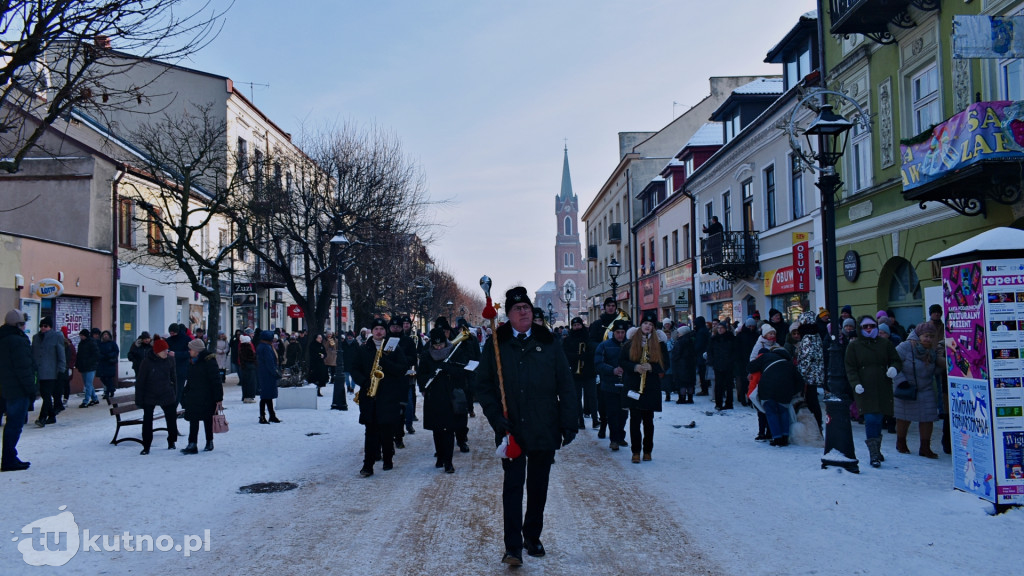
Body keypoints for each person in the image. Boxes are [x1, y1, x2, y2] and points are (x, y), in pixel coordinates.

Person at [474, 287, 577, 566]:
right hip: (511, 428)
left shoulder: (549, 341)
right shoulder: (497, 343)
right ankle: (513, 547)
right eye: (518, 309)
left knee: (538, 485)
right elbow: (483, 385)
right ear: (507, 315)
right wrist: (496, 417)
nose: (524, 312)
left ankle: (532, 536)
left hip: (545, 424)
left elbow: (566, 385)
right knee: (513, 486)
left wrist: (569, 422)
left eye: (527, 308)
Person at [845, 315, 902, 468]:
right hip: (864, 388)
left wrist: (893, 368)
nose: (869, 329)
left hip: (882, 386)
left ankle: (877, 449)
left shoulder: (885, 343)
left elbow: (896, 360)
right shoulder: (854, 346)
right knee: (870, 418)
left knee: (879, 418)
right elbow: (850, 367)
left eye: (871, 326)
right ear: (860, 328)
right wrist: (855, 383)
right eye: (865, 327)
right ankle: (874, 454)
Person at [354, 318, 408, 477]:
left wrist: (386, 363)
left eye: (382, 329)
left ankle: (388, 458)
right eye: (376, 329)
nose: (379, 332)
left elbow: (402, 369)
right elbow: (354, 368)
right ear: (372, 331)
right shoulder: (364, 348)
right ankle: (367, 465)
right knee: (370, 431)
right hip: (369, 395)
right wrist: (364, 382)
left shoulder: (394, 348)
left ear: (386, 331)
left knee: (387, 430)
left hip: (388, 395)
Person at [893, 322, 945, 459]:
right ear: (918, 335)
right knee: (904, 417)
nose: (928, 339)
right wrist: (901, 381)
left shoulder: (932, 351)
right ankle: (901, 442)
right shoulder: (905, 346)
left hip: (926, 387)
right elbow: (893, 362)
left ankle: (925, 447)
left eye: (931, 336)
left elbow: (934, 369)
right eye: (926, 336)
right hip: (907, 387)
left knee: (928, 417)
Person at [418, 327, 466, 473]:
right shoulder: (427, 356)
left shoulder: (455, 353)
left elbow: (463, 372)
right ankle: (440, 455)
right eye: (436, 345)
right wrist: (428, 379)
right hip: (434, 396)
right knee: (437, 429)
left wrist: (449, 369)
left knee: (449, 429)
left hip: (450, 396)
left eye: (441, 345)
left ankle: (448, 461)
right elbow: (421, 376)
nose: (439, 348)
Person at [620, 312, 666, 463]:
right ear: (641, 325)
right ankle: (635, 451)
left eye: (651, 325)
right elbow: (622, 362)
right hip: (634, 386)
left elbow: (666, 364)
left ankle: (647, 450)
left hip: (650, 387)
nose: (648, 326)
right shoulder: (630, 343)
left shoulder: (659, 344)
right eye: (645, 323)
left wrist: (652, 367)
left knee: (648, 421)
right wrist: (634, 367)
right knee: (634, 420)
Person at [1, 310, 36, 471]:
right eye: (23, 324)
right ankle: (9, 459)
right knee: (14, 425)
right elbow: (24, 369)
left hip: (2, 389)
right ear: (19, 325)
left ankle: (9, 457)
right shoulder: (18, 341)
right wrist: (31, 390)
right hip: (16, 390)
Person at [748, 346, 804, 446]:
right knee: (783, 411)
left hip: (767, 387)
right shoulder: (790, 365)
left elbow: (751, 367)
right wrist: (791, 392)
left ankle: (777, 438)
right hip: (785, 390)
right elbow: (800, 382)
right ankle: (785, 437)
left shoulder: (766, 356)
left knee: (771, 412)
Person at [135, 336, 179, 454]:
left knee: (171, 418)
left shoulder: (170, 360)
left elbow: (174, 378)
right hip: (150, 394)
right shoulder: (147, 362)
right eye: (164, 350)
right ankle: (146, 445)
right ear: (157, 351)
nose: (166, 352)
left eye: (167, 350)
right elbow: (140, 382)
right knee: (148, 420)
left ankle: (172, 441)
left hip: (166, 393)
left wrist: (174, 393)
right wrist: (139, 400)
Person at [180, 338, 223, 454]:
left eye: (191, 349)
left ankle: (209, 441)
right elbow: (190, 379)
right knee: (193, 420)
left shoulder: (209, 360)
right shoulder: (193, 361)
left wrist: (218, 398)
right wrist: (185, 393)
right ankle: (192, 443)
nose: (189, 351)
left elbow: (216, 380)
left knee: (207, 419)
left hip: (207, 396)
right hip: (193, 395)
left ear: (196, 350)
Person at [595, 318, 630, 448]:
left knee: (624, 413)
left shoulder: (630, 345)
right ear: (613, 333)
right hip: (609, 385)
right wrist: (612, 370)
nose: (620, 335)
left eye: (622, 332)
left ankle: (620, 435)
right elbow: (598, 364)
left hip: (626, 385)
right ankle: (614, 439)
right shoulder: (604, 345)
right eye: (618, 332)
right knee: (612, 413)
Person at [32, 317, 65, 427]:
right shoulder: (36, 337)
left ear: (50, 327)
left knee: (46, 395)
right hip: (39, 372)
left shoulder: (56, 336)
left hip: (51, 372)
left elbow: (61, 354)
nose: (43, 328)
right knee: (44, 394)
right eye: (41, 326)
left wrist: (61, 369)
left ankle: (42, 418)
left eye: (45, 326)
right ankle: (52, 416)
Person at [563, 316, 595, 429]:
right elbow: (565, 354)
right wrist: (577, 356)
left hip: (588, 371)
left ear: (582, 325)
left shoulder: (588, 338)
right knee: (577, 398)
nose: (577, 327)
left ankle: (595, 419)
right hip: (575, 373)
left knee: (592, 396)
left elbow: (592, 352)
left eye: (579, 325)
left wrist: (584, 356)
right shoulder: (567, 340)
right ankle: (580, 420)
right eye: (575, 325)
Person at [795, 313, 824, 432]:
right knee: (813, 399)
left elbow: (806, 359)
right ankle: (817, 422)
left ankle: (816, 423)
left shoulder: (807, 338)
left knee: (810, 400)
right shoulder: (816, 336)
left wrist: (800, 375)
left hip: (808, 375)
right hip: (816, 373)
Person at [928, 303, 951, 454]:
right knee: (933, 387)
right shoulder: (926, 326)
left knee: (941, 389)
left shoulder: (945, 326)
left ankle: (942, 410)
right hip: (930, 360)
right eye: (934, 312)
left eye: (938, 312)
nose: (936, 314)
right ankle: (937, 409)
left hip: (942, 365)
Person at [706, 321, 738, 410]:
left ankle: (729, 403)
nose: (720, 330)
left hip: (728, 365)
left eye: (722, 328)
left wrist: (731, 361)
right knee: (718, 385)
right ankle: (718, 403)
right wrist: (712, 361)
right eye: (718, 328)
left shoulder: (731, 338)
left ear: (725, 329)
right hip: (717, 365)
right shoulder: (714, 339)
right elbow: (710, 351)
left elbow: (735, 351)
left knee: (729, 386)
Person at [256, 331, 281, 424]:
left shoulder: (262, 346)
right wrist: (274, 372)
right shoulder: (266, 347)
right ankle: (263, 416)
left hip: (264, 373)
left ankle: (271, 415)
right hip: (267, 374)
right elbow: (269, 362)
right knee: (266, 396)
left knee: (267, 396)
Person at [165, 323, 192, 404]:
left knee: (179, 389)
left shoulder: (186, 339)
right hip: (170, 368)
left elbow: (189, 353)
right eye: (170, 333)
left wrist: (176, 354)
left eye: (173, 333)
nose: (171, 334)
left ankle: (174, 406)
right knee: (172, 389)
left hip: (181, 368)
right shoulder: (169, 340)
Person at [671, 325, 697, 404]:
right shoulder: (691, 340)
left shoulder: (680, 342)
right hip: (690, 364)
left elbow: (676, 354)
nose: (678, 334)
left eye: (679, 332)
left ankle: (682, 398)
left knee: (682, 382)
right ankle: (690, 398)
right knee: (690, 382)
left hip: (681, 364)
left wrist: (674, 358)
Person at [75, 328, 100, 407]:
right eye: (80, 336)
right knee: (88, 384)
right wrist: (78, 363)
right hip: (83, 366)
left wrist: (89, 362)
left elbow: (96, 355)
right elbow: (79, 355)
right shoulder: (81, 343)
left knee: (88, 384)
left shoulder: (91, 342)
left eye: (82, 335)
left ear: (85, 335)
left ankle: (86, 401)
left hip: (90, 367)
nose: (81, 337)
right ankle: (95, 398)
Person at [97, 330, 119, 400]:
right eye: (104, 335)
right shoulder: (100, 344)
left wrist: (109, 355)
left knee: (109, 378)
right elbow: (98, 352)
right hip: (103, 363)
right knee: (102, 378)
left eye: (107, 335)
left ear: (109, 336)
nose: (105, 336)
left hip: (110, 362)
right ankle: (111, 389)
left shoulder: (112, 343)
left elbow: (116, 351)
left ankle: (107, 393)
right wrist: (101, 356)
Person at [693, 316, 711, 396]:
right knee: (703, 372)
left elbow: (699, 345)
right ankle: (705, 388)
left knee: (702, 373)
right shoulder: (705, 330)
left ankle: (704, 389)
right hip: (704, 354)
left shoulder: (701, 332)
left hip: (701, 355)